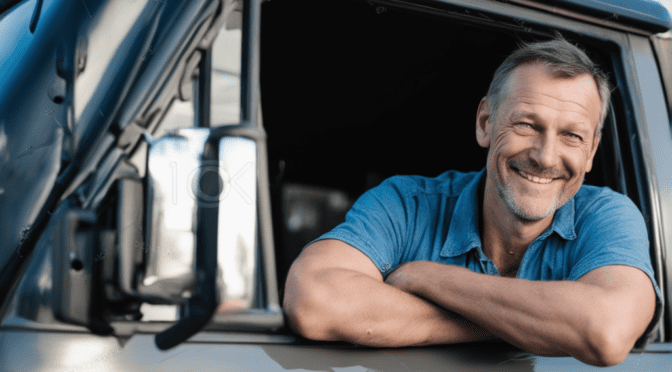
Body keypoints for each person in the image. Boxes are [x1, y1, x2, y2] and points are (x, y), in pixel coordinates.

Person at [282, 37, 661, 367]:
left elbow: (605, 332)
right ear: (485, 123)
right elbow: (314, 300)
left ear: (592, 150)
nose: (546, 157)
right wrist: (539, 327)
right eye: (527, 125)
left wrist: (427, 278)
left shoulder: (608, 215)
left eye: (571, 136)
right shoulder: (406, 203)